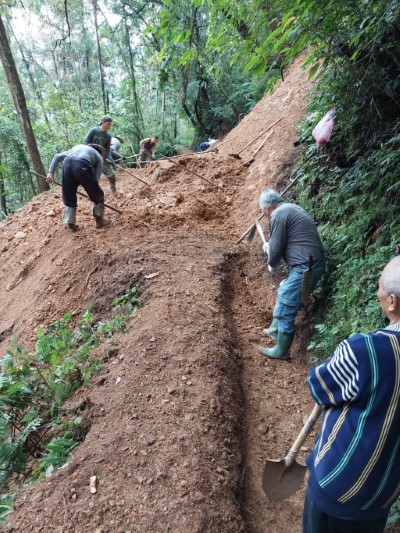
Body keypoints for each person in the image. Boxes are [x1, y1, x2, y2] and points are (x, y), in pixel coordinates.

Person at [303, 255, 400, 533]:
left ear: (391, 301)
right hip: (383, 493)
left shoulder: (363, 350)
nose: (378, 291)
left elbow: (318, 386)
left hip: (338, 485)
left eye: (380, 286)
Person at [259, 189, 325, 359]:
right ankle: (275, 329)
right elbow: (285, 241)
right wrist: (271, 245)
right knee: (285, 291)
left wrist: (272, 263)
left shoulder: (278, 214)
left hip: (306, 266)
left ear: (267, 208)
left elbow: (277, 245)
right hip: (312, 263)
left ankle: (281, 351)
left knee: (287, 299)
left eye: (263, 211)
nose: (264, 215)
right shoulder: (291, 208)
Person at [46, 144, 111, 231]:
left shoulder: (78, 148)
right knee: (98, 195)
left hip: (67, 164)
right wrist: (92, 193)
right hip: (82, 164)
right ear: (101, 153)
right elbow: (95, 180)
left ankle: (71, 225)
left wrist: (50, 173)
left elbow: (57, 156)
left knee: (69, 195)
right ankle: (99, 221)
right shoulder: (99, 157)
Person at [83, 116, 117, 193]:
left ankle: (114, 190)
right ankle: (92, 193)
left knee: (111, 175)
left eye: (110, 124)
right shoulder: (93, 130)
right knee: (92, 177)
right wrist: (91, 150)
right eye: (108, 124)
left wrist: (110, 159)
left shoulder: (108, 136)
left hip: (101, 157)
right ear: (103, 122)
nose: (109, 126)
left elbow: (107, 149)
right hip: (90, 156)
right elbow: (85, 142)